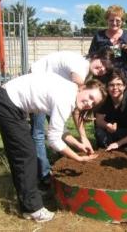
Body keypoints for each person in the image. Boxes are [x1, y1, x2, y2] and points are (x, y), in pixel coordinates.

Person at [0, 73, 107, 222]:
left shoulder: (69, 91)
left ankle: (29, 198)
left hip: (8, 102)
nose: (89, 104)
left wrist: (78, 144)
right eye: (90, 97)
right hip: (7, 104)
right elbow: (53, 140)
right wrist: (78, 158)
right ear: (83, 87)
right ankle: (32, 209)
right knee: (25, 155)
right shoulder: (65, 98)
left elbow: (59, 130)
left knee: (24, 154)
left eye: (93, 103)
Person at [29, 48, 114, 185]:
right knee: (39, 133)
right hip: (37, 86)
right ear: (96, 55)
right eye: (102, 63)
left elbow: (75, 105)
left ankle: (58, 159)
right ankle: (44, 175)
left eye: (106, 69)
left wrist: (82, 139)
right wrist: (83, 138)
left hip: (52, 91)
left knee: (57, 129)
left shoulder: (86, 73)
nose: (102, 69)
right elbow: (76, 107)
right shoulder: (80, 70)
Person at [89, 5, 127, 93]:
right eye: (111, 20)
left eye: (118, 20)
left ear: (122, 21)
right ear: (107, 20)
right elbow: (91, 56)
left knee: (123, 104)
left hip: (123, 79)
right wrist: (104, 53)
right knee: (102, 104)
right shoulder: (99, 36)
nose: (114, 23)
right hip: (102, 78)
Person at [95, 69, 127, 150]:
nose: (115, 88)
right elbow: (98, 121)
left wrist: (119, 143)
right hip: (109, 132)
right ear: (107, 87)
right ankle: (109, 147)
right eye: (111, 85)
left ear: (124, 86)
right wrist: (107, 125)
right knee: (99, 133)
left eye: (119, 84)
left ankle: (122, 145)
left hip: (126, 131)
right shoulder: (104, 100)